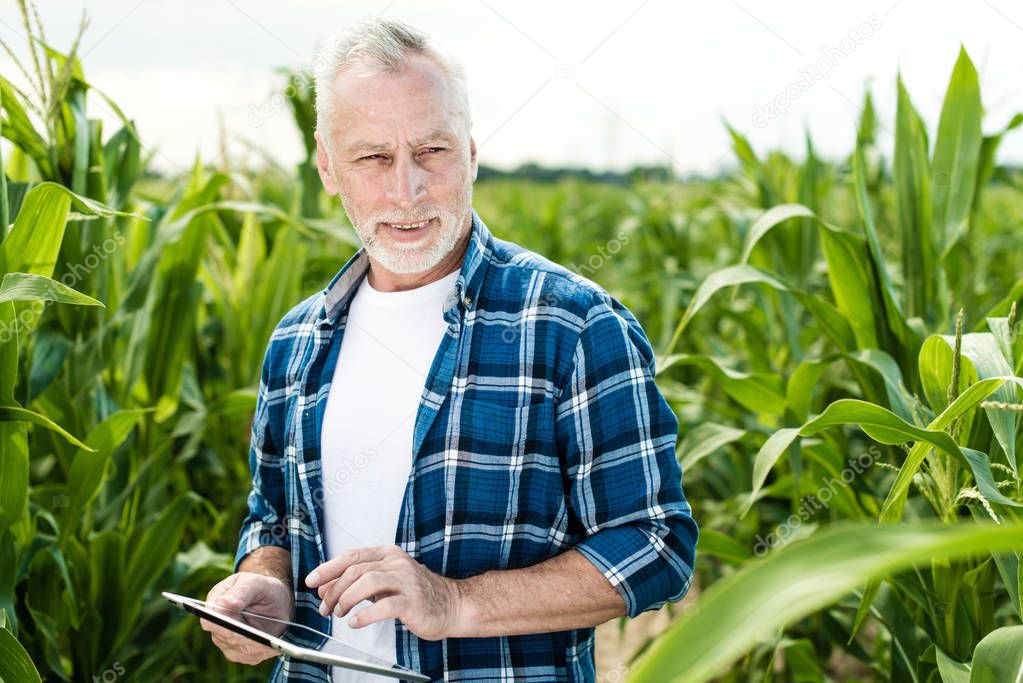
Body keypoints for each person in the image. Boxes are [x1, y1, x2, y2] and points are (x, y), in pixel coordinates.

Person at [201, 17, 698, 683]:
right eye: (372, 157)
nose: (405, 190)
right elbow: (273, 517)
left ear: (468, 151)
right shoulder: (296, 340)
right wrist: (264, 580)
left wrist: (456, 600)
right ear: (326, 165)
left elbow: (655, 544)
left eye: (430, 151)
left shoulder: (570, 323)